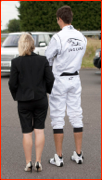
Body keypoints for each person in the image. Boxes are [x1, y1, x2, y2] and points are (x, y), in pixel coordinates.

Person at [45, 5, 87, 166]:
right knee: (76, 114)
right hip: (75, 79)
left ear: (60, 19)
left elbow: (48, 59)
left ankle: (59, 156)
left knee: (57, 117)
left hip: (60, 80)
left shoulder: (58, 38)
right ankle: (78, 154)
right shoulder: (82, 37)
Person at [8, 33, 54, 172]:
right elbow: (50, 79)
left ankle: (28, 163)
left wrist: (17, 96)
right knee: (39, 131)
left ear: (20, 45)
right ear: (33, 45)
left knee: (27, 132)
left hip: (24, 101)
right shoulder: (43, 60)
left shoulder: (16, 62)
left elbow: (12, 84)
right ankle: (38, 161)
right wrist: (46, 91)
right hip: (40, 99)